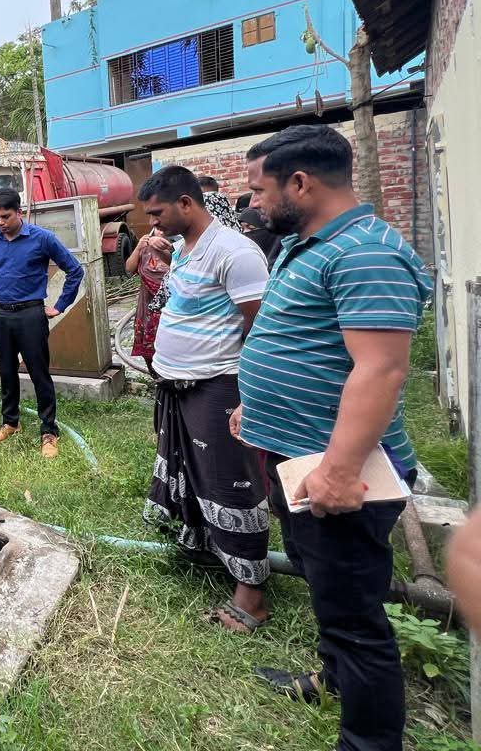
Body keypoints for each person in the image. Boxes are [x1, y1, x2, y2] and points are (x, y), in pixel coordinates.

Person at [232, 124, 431, 750]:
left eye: (260, 192)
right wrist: (256, 408)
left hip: (337, 467)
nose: (254, 205)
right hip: (296, 458)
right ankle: (335, 680)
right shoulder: (309, 244)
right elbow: (305, 345)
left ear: (301, 183)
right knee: (329, 590)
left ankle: (369, 742)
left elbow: (381, 368)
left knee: (355, 617)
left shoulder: (365, 252)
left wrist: (341, 471)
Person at [138, 166, 270, 632]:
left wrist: (247, 394)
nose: (153, 224)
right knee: (194, 475)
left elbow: (260, 326)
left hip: (219, 386)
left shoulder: (235, 253)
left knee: (228, 481)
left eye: (157, 214)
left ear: (186, 204)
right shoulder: (183, 250)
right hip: (181, 387)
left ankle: (251, 595)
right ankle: (209, 549)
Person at [0, 187, 84, 459]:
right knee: (6, 373)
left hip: (31, 315)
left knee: (39, 373)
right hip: (0, 316)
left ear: (19, 212)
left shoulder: (43, 239)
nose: (0, 222)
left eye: (5, 216)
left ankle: (49, 431)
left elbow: (75, 270)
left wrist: (59, 306)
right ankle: (10, 422)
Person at [123, 227, 172, 371]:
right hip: (146, 308)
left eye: (164, 229)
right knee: (149, 353)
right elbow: (129, 269)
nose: (162, 232)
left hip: (169, 309)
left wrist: (163, 249)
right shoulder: (145, 248)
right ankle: (158, 380)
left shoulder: (178, 246)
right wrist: (138, 248)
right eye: (158, 229)